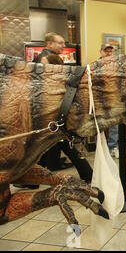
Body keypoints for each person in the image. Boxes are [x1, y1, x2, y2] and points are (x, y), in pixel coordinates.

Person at [37, 54, 93, 183]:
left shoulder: (59, 80)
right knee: (45, 150)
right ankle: (88, 174)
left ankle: (88, 174)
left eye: (44, 63)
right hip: (52, 122)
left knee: (66, 148)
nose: (41, 66)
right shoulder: (51, 79)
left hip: (57, 121)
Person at [35, 33, 72, 172]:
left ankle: (47, 166)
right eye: (60, 43)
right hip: (48, 104)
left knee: (52, 139)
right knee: (53, 138)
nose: (64, 46)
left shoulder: (46, 56)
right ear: (49, 44)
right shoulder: (45, 58)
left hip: (47, 104)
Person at [98, 44, 119, 159]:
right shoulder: (94, 66)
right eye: (106, 51)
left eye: (111, 51)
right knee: (99, 125)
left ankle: (113, 147)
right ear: (101, 52)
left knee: (114, 125)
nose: (109, 53)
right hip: (99, 100)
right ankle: (100, 149)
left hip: (113, 99)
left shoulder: (117, 66)